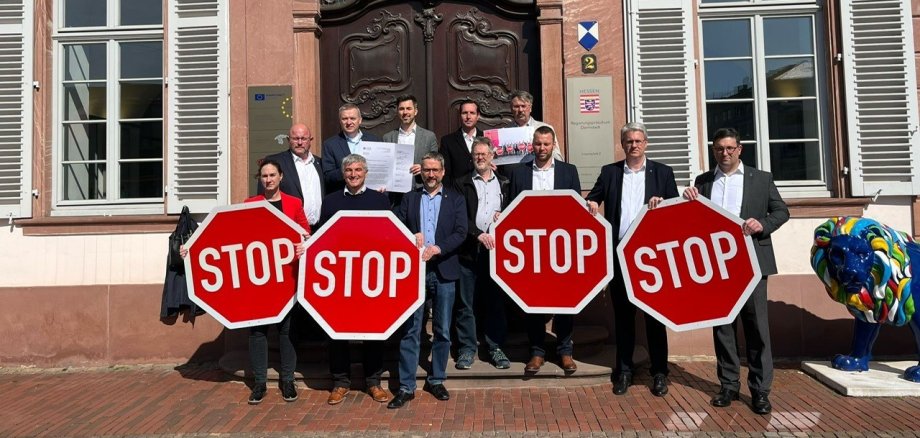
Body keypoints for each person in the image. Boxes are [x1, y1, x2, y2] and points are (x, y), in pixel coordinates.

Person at [182, 160, 309, 405]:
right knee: (257, 332)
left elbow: (305, 233)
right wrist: (193, 251)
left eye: (273, 175)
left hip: (287, 281)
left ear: (281, 177)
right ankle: (260, 383)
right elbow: (231, 235)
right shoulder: (251, 204)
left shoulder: (294, 203)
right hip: (257, 281)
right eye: (264, 176)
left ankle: (288, 381)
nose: (269, 179)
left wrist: (304, 243)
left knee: (286, 332)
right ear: (260, 179)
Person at [682, 127, 789, 415]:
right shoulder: (703, 181)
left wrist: (761, 225)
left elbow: (781, 211)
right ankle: (728, 385)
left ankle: (760, 391)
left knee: (757, 329)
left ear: (739, 149)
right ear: (713, 150)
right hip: (717, 268)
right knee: (723, 330)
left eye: (730, 148)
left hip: (753, 265)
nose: (724, 153)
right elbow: (695, 222)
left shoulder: (760, 179)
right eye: (719, 149)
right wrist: (687, 199)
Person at [585, 122, 679, 397]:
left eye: (638, 141)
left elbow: (674, 209)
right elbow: (595, 197)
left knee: (654, 318)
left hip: (652, 258)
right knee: (624, 319)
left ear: (645, 144)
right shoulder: (610, 172)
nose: (633, 145)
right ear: (622, 144)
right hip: (620, 255)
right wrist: (592, 202)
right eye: (629, 141)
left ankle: (659, 372)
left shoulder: (663, 172)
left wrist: (662, 203)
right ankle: (624, 371)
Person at [389, 152, 467, 409]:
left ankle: (436, 379)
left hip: (444, 269)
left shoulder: (455, 199)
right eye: (426, 170)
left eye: (435, 170)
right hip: (416, 273)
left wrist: (439, 248)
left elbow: (461, 232)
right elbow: (396, 224)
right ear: (420, 172)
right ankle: (406, 386)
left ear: (443, 172)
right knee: (411, 330)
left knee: (443, 330)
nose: (431, 175)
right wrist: (412, 234)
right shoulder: (410, 199)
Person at [317, 154, 392, 405]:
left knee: (374, 330)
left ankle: (373, 382)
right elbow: (322, 238)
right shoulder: (330, 202)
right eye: (348, 170)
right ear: (343, 173)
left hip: (372, 279)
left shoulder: (381, 200)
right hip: (339, 279)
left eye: (358, 169)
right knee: (336, 330)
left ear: (366, 172)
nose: (353, 174)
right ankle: (340, 382)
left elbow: (389, 236)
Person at [507, 125, 581, 373]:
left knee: (564, 301)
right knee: (534, 302)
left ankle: (565, 352)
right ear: (532, 145)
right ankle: (537, 352)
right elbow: (511, 211)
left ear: (553, 146)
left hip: (561, 248)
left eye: (546, 144)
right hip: (530, 249)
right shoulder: (519, 173)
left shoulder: (569, 172)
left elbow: (577, 210)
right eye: (538, 144)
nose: (541, 149)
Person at [453, 137, 511, 370]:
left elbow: (515, 213)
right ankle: (467, 349)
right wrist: (477, 233)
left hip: (497, 254)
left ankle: (495, 347)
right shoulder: (461, 183)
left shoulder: (505, 183)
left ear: (492, 156)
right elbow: (458, 217)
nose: (480, 158)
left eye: (484, 154)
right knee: (465, 304)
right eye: (476, 154)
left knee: (495, 302)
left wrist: (504, 217)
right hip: (468, 251)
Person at [259, 123, 324, 230]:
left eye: (303, 139)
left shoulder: (320, 163)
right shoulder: (276, 162)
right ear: (288, 140)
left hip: (319, 229)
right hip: (288, 229)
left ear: (310, 140)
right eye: (295, 139)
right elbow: (264, 196)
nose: (299, 142)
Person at [321, 104, 381, 194]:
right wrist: (347, 170)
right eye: (344, 119)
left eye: (353, 118)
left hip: (371, 194)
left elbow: (382, 168)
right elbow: (328, 176)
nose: (349, 122)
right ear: (340, 121)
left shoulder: (375, 141)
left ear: (360, 120)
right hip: (344, 196)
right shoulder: (330, 144)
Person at [382, 94, 439, 189]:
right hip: (395, 191)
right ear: (397, 112)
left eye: (409, 108)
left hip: (420, 187)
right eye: (401, 109)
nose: (405, 112)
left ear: (415, 111)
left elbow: (436, 162)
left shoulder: (429, 136)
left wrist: (423, 168)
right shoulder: (387, 137)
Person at [506, 90, 563, 163]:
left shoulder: (545, 128)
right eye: (516, 106)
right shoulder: (506, 131)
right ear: (511, 109)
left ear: (530, 108)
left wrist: (540, 148)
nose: (520, 110)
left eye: (523, 106)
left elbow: (558, 158)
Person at [440, 100, 483, 183]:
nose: (468, 116)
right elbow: (445, 173)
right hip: (457, 192)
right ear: (460, 115)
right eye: (464, 113)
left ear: (478, 116)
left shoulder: (487, 138)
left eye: (472, 113)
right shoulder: (447, 141)